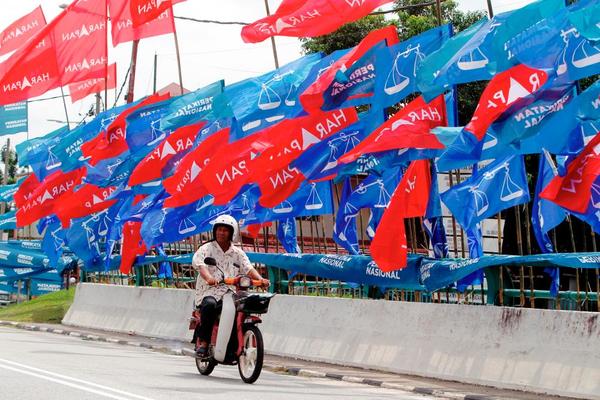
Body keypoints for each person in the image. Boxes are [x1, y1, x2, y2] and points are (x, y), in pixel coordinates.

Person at [191, 214, 269, 357]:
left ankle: (235, 341)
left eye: (225, 230)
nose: (221, 233)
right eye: (219, 229)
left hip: (232, 292)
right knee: (209, 305)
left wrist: (261, 279)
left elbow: (248, 268)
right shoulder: (206, 248)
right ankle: (204, 343)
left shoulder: (238, 253)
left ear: (232, 233)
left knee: (244, 307)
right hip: (210, 291)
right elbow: (200, 265)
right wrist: (209, 278)